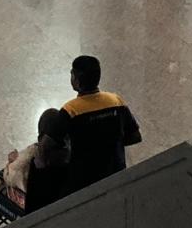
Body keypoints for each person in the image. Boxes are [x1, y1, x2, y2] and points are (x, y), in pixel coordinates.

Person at [0, 108, 70, 228]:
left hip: (31, 203)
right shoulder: (70, 153)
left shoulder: (34, 153)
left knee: (0, 184)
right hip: (59, 199)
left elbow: (11, 177)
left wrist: (12, 161)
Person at [60, 56, 141, 192]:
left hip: (83, 183)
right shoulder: (116, 102)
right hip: (116, 177)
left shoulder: (70, 110)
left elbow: (50, 146)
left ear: (77, 78)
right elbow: (136, 136)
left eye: (72, 74)